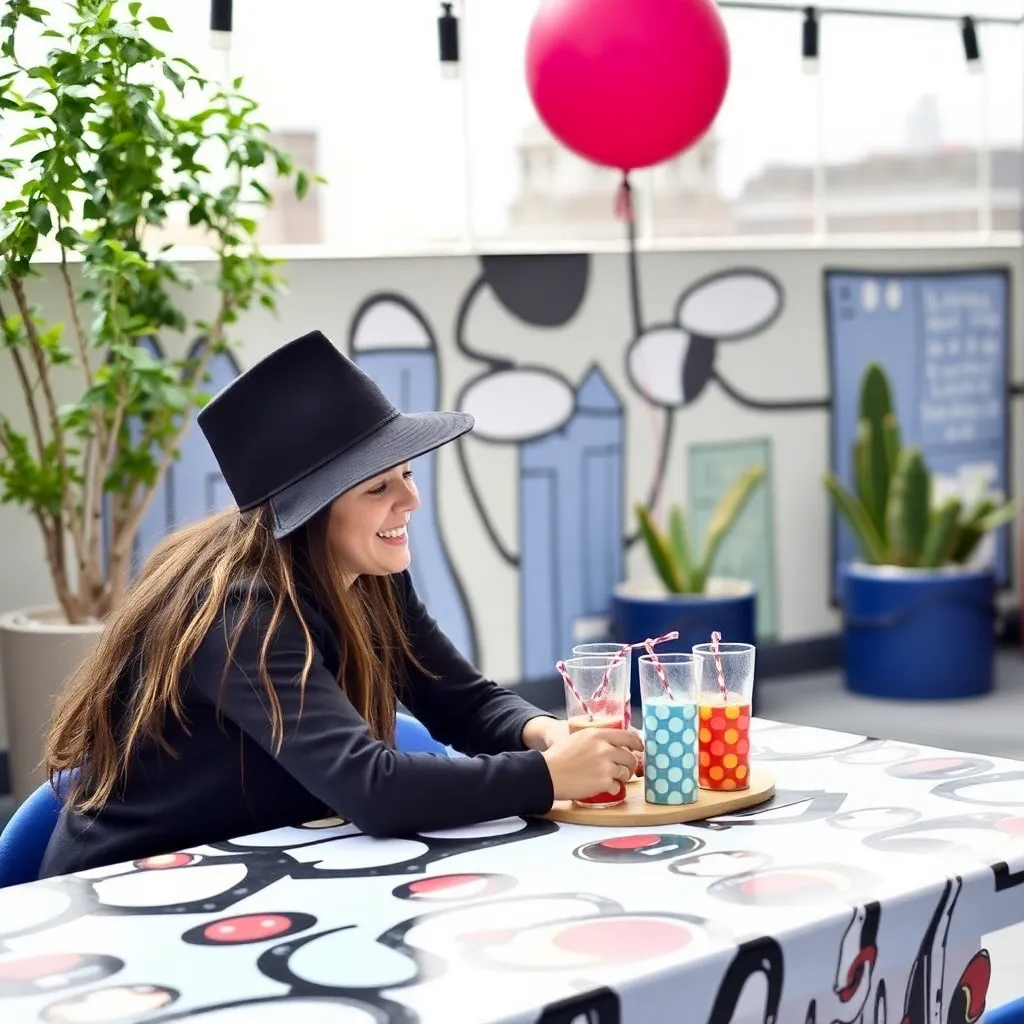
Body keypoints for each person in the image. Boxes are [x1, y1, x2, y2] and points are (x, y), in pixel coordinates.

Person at [39, 330, 642, 877]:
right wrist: (547, 777)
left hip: (256, 865)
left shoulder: (365, 575)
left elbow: (459, 698)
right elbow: (372, 789)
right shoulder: (242, 613)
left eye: (407, 473)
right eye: (379, 486)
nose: (410, 501)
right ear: (310, 513)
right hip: (133, 892)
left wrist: (548, 734)